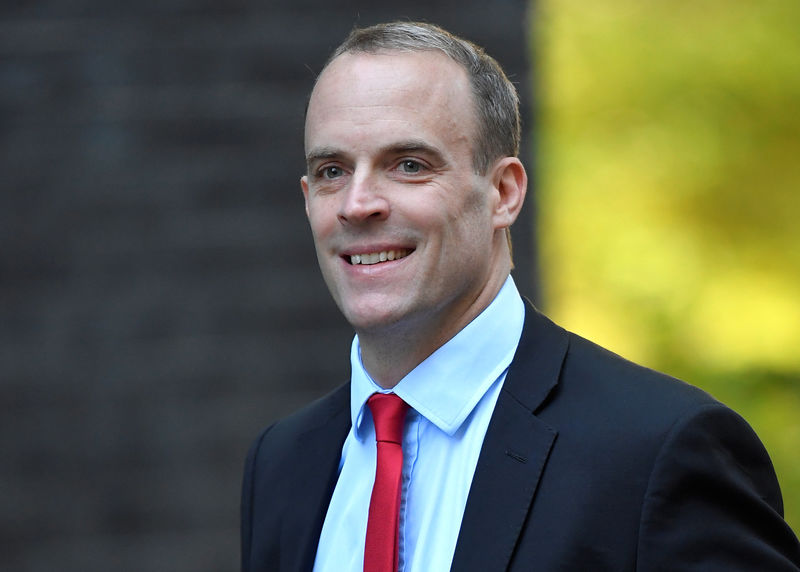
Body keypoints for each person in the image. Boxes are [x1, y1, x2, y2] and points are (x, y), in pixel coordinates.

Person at [241, 21, 800, 571]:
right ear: (309, 199)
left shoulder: (659, 451)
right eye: (333, 170)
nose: (357, 204)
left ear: (503, 193)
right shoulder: (283, 462)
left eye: (408, 165)